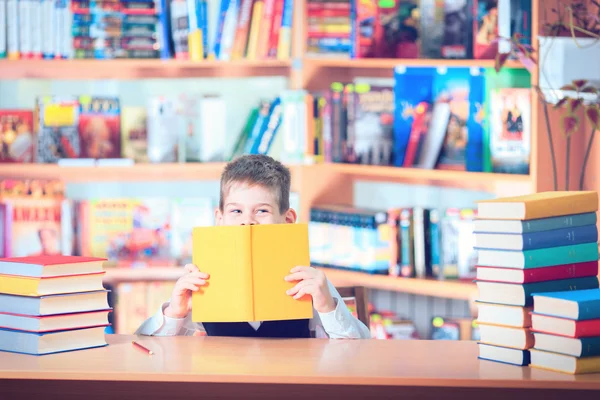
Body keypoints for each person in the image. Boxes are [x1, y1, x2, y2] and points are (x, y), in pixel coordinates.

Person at [136, 154, 371, 339]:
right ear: (220, 219)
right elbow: (149, 348)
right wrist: (174, 313)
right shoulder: (203, 278)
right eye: (236, 211)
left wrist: (327, 307)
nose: (247, 221)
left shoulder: (305, 277)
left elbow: (359, 349)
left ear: (287, 220)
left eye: (262, 211)